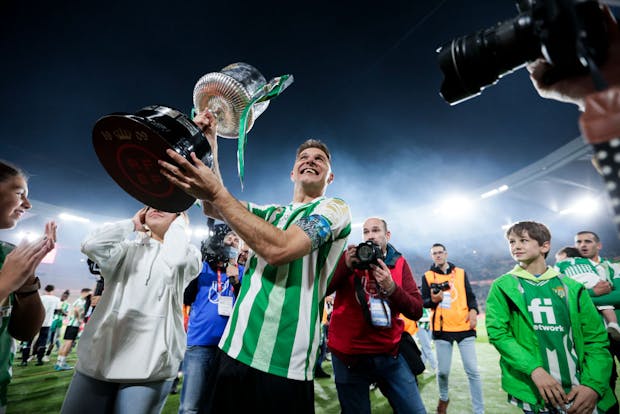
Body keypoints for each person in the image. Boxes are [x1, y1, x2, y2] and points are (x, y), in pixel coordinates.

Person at [159, 110, 351, 413]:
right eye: (303, 157)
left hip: (285, 361)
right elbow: (213, 205)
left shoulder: (335, 208)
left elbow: (281, 249)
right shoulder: (270, 213)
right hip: (234, 348)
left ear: (331, 176)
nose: (310, 160)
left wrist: (219, 193)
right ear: (292, 173)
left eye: (320, 159)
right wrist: (210, 143)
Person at [59, 207, 201, 414]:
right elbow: (91, 245)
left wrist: (179, 221)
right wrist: (131, 224)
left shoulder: (190, 253)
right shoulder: (125, 250)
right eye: (151, 205)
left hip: (151, 365)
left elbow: (176, 259)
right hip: (100, 357)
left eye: (168, 207)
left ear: (180, 220)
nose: (157, 208)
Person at [486, 221, 615, 413]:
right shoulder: (502, 286)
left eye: (523, 240)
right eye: (512, 242)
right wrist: (535, 370)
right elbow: (498, 334)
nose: (516, 246)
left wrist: (592, 385)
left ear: (545, 246)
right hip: (533, 390)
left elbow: (595, 340)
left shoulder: (572, 287)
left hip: (578, 389)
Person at [326, 217, 425, 414]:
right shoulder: (349, 258)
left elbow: (416, 310)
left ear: (387, 235)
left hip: (388, 353)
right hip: (349, 356)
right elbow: (322, 289)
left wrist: (392, 288)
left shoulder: (399, 262)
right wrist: (345, 266)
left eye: (376, 230)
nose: (370, 235)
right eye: (366, 231)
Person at [0, 160, 55, 414]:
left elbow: (24, 332)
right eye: (20, 193)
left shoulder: (6, 254)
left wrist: (28, 279)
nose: (28, 205)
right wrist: (5, 283)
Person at [178, 223, 244, 414]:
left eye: (236, 239)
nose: (233, 241)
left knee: (216, 404)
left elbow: (244, 304)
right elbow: (186, 298)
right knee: (191, 406)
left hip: (228, 347)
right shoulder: (202, 267)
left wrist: (236, 281)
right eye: (229, 237)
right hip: (200, 344)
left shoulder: (241, 271)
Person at [421, 243, 483, 414]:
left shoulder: (461, 273)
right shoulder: (427, 276)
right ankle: (443, 397)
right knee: (442, 372)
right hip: (442, 329)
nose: (438, 255)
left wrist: (473, 310)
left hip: (464, 327)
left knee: (472, 371)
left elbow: (470, 296)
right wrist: (433, 300)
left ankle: (479, 410)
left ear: (446, 254)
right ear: (432, 256)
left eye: (440, 252)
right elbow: (423, 301)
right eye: (435, 253)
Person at [555, 246, 620, 340]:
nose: (556, 260)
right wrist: (601, 281)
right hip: (592, 278)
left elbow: (556, 275)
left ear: (564, 255)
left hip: (575, 281)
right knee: (606, 305)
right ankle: (613, 323)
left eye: (557, 258)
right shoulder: (588, 261)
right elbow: (599, 269)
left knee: (577, 303)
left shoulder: (560, 264)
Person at [55, 288, 91, 371]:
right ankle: (62, 364)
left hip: (70, 325)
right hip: (74, 325)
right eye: (89, 293)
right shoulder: (81, 301)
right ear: (84, 293)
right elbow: (76, 310)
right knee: (68, 344)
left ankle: (59, 363)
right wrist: (80, 319)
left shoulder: (78, 300)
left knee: (65, 344)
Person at [32, 284, 60, 365]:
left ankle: (26, 359)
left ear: (45, 290)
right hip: (47, 322)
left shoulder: (41, 297)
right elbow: (58, 309)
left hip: (37, 321)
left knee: (32, 339)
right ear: (52, 290)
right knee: (43, 340)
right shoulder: (56, 299)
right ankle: (39, 359)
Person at [415, 306, 437, 374]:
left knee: (425, 348)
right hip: (421, 325)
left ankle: (421, 367)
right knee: (427, 347)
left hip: (429, 325)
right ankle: (436, 367)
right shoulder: (418, 298)